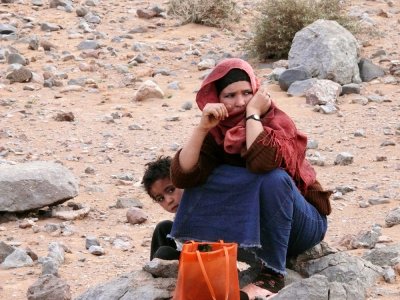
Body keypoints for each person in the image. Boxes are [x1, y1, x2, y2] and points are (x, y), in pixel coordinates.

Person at [169, 58, 332, 299]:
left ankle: (273, 275)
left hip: (302, 227)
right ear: (216, 98)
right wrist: (202, 128)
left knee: (273, 179)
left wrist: (253, 115)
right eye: (230, 95)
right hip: (252, 229)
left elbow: (262, 162)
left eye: (247, 93)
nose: (240, 102)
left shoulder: (276, 120)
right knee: (202, 178)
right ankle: (204, 256)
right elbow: (183, 176)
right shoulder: (217, 131)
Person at [142, 156, 182, 261]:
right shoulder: (180, 215)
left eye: (170, 190)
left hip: (210, 261)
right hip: (191, 255)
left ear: (184, 181)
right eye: (160, 198)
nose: (168, 200)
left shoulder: (201, 208)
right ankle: (154, 271)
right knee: (163, 227)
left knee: (164, 253)